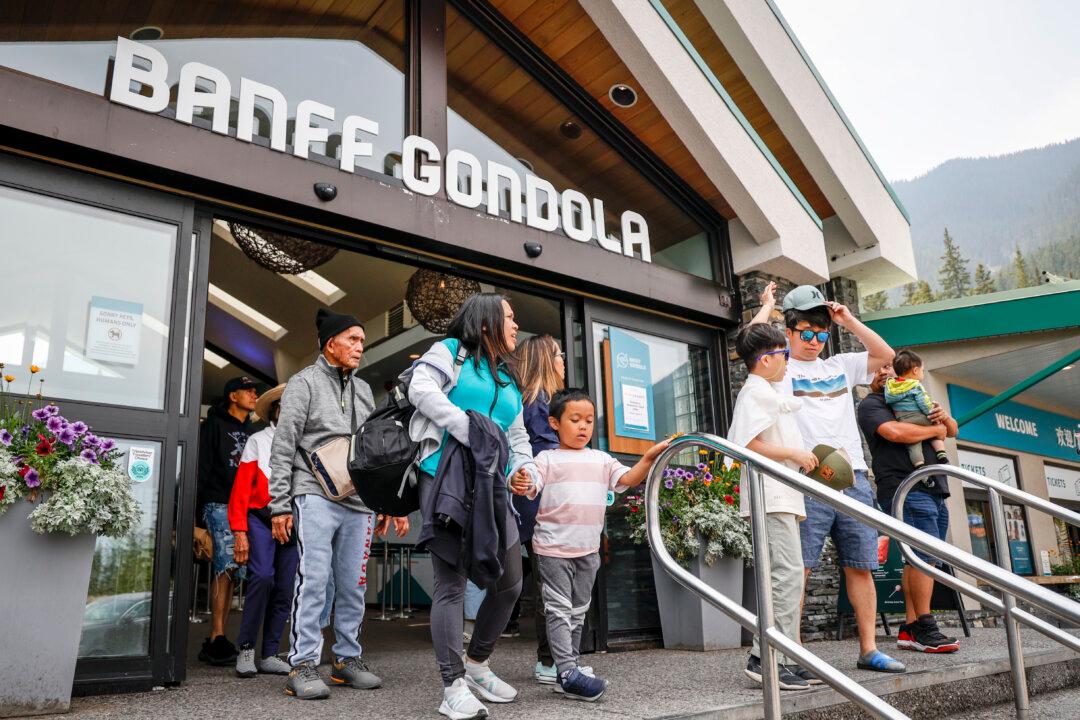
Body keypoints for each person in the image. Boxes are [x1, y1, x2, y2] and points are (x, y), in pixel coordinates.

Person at [752, 281, 906, 674]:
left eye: (821, 333)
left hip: (853, 477)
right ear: (788, 331)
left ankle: (869, 649)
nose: (815, 340)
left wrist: (849, 320)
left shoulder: (839, 365)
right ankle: (794, 652)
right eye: (806, 333)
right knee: (798, 569)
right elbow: (750, 347)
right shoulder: (779, 369)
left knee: (861, 565)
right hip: (805, 478)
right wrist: (766, 307)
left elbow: (885, 354)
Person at [406, 292, 540, 720]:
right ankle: (452, 684)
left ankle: (477, 663)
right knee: (451, 583)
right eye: (509, 317)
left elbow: (517, 437)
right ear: (485, 322)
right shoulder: (451, 353)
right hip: (445, 473)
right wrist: (468, 429)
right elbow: (419, 387)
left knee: (510, 581)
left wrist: (525, 470)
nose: (516, 326)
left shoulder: (507, 375)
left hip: (492, 485)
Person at [268, 308, 409, 700]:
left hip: (357, 501)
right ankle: (302, 664)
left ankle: (346, 661)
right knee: (313, 580)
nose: (360, 347)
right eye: (353, 339)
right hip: (312, 491)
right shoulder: (303, 383)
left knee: (352, 584)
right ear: (330, 342)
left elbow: (371, 451)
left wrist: (385, 503)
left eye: (362, 341)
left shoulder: (364, 390)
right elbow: (282, 447)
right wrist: (279, 505)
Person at [526, 389, 670, 701]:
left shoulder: (601, 459)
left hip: (588, 550)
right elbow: (531, 481)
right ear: (554, 423)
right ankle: (566, 671)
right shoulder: (547, 458)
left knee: (578, 611)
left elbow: (629, 479)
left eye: (589, 421)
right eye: (575, 419)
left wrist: (647, 458)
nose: (583, 427)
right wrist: (521, 479)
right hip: (552, 550)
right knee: (558, 610)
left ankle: (570, 666)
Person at [727, 324, 812, 691]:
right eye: (784, 354)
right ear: (765, 360)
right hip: (771, 496)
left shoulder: (768, 388)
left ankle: (785, 656)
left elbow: (752, 339)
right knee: (785, 576)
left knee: (788, 577)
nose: (789, 360)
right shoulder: (755, 392)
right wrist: (793, 453)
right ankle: (767, 659)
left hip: (782, 495)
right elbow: (746, 443)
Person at [858, 360, 960, 653]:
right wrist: (933, 430)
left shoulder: (916, 392)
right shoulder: (872, 404)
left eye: (887, 366)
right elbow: (896, 433)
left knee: (918, 558)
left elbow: (952, 429)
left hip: (934, 486)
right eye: (876, 369)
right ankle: (925, 627)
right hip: (905, 487)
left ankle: (910, 628)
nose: (883, 372)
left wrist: (943, 420)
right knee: (924, 556)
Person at [228, 384, 297, 678]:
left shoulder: (304, 442)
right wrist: (239, 531)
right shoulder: (257, 440)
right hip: (259, 518)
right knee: (263, 578)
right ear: (275, 410)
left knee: (285, 587)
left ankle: (269, 653)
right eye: (284, 407)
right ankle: (245, 648)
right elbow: (241, 488)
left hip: (295, 522)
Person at [510, 334, 566, 684]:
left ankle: (555, 659)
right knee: (553, 584)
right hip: (543, 504)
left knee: (551, 582)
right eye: (559, 355)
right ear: (547, 360)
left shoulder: (533, 400)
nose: (563, 361)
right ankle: (551, 661)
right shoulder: (539, 403)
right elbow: (548, 457)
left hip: (539, 503)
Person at [196, 375, 256, 666]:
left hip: (243, 507)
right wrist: (196, 516)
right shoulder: (213, 426)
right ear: (233, 396)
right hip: (218, 502)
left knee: (233, 570)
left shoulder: (252, 430)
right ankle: (216, 636)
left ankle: (219, 635)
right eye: (248, 390)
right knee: (225, 566)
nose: (254, 394)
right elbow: (202, 468)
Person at [883, 349, 949, 467]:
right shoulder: (915, 385)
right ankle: (941, 453)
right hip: (919, 418)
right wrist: (931, 414)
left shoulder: (890, 385)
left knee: (913, 444)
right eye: (922, 371)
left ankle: (919, 465)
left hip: (903, 420)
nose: (923, 374)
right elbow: (923, 402)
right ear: (915, 370)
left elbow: (888, 399)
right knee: (936, 426)